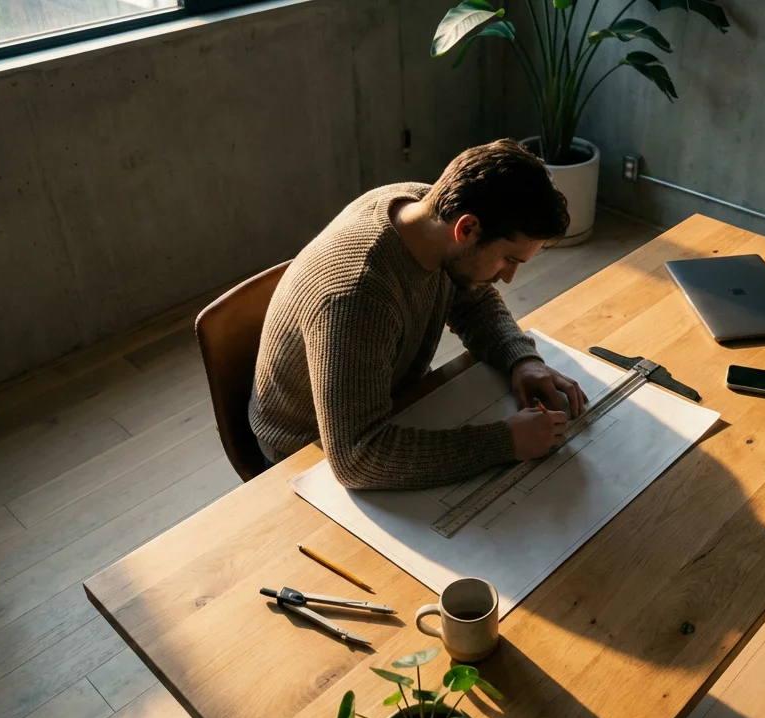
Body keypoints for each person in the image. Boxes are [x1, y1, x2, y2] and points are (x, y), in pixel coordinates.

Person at [249, 139, 589, 490]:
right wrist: (504, 442)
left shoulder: (427, 211)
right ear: (467, 229)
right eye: (509, 259)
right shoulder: (357, 296)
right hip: (304, 452)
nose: (508, 277)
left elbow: (473, 299)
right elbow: (357, 458)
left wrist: (522, 359)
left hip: (392, 402)